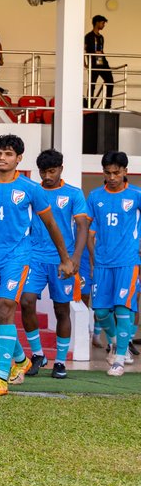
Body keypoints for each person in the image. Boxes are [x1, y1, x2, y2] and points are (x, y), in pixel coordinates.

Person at [0, 135, 74, 396]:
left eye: (8, 154)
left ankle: (1, 377)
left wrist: (65, 258)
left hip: (18, 257)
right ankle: (21, 360)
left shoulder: (31, 188)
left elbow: (52, 225)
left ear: (18, 158)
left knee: (6, 307)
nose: (2, 158)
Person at [17, 149, 88, 380]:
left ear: (60, 169)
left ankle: (59, 360)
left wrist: (75, 259)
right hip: (34, 257)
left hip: (62, 260)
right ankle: (38, 354)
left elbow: (82, 227)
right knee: (26, 302)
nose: (47, 176)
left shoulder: (73, 194)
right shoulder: (32, 191)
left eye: (52, 171)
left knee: (61, 309)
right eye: (43, 171)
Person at [86, 151, 141, 377]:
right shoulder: (95, 196)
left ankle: (118, 360)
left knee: (123, 307)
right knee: (100, 311)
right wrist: (92, 260)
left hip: (127, 261)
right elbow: (89, 233)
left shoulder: (136, 194)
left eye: (116, 173)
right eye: (108, 173)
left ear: (125, 172)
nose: (112, 177)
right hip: (102, 263)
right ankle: (120, 343)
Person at [85, 15, 114, 109]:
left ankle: (107, 105)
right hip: (93, 63)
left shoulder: (101, 37)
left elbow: (101, 50)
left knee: (110, 81)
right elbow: (84, 49)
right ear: (96, 22)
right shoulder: (88, 36)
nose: (103, 25)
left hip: (102, 62)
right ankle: (89, 105)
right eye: (102, 22)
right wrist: (84, 63)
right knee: (92, 84)